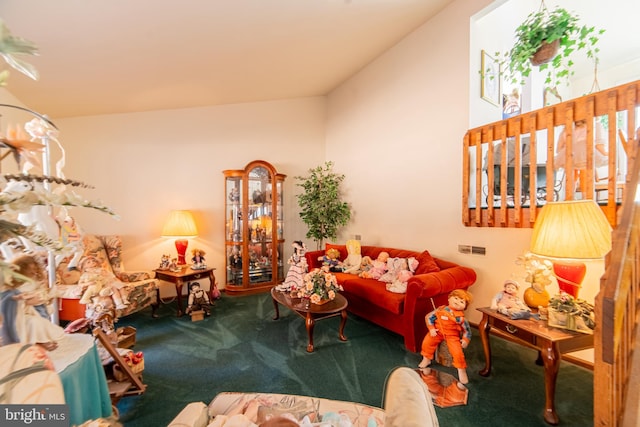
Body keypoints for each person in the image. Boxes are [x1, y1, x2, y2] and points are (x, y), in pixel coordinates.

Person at [419, 289, 473, 384]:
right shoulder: (440, 310)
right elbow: (431, 319)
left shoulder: (460, 318)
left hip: (452, 336)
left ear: (465, 307)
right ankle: (426, 359)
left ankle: (461, 370)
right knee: (427, 342)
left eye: (461, 301)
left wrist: (465, 339)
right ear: (449, 299)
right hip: (438, 331)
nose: (457, 302)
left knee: (457, 352)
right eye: (455, 298)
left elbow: (467, 330)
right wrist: (431, 328)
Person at [554, 119, 608, 194]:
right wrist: (605, 153)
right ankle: (585, 195)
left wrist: (561, 153)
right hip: (585, 152)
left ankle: (570, 195)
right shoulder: (591, 126)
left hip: (571, 153)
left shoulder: (567, 129)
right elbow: (598, 144)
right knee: (585, 171)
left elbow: (559, 147)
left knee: (572, 172)